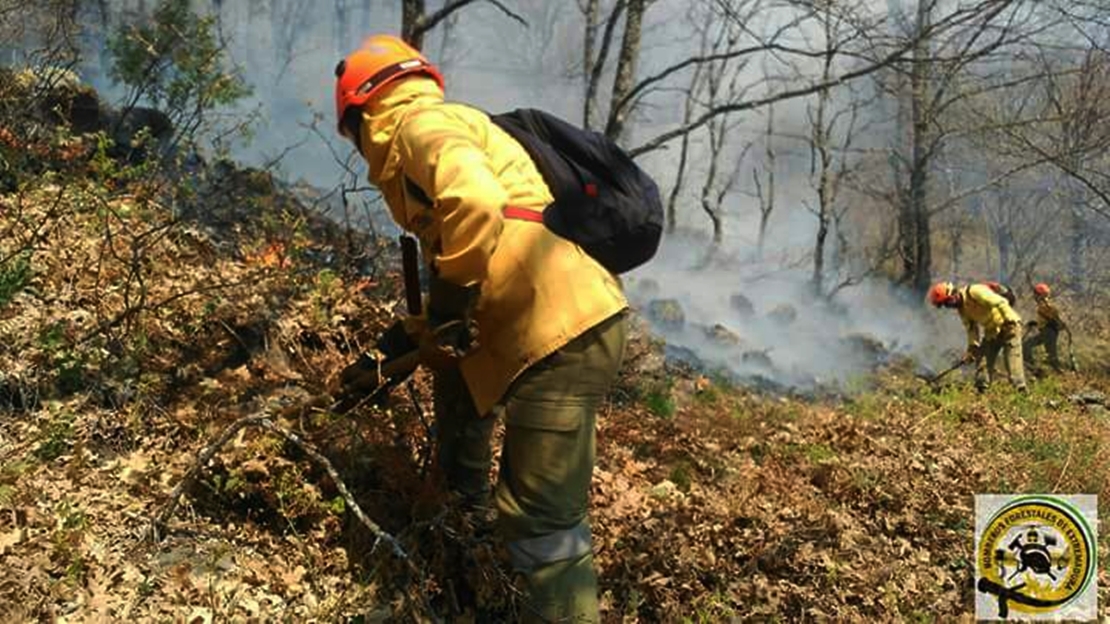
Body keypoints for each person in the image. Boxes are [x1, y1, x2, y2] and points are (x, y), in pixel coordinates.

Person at [334, 34, 628, 622]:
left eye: (352, 131)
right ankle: (467, 569)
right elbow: (468, 269)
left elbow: (477, 203)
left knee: (541, 519)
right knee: (459, 410)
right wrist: (385, 356)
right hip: (535, 325)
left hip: (561, 329)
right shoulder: (437, 133)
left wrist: (447, 302)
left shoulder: (420, 127)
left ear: (365, 108)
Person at [928, 281, 1027, 392]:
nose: (949, 306)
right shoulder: (962, 310)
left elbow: (1000, 302)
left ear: (952, 294)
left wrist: (1010, 319)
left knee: (1012, 357)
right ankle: (982, 389)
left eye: (947, 302)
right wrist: (972, 349)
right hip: (992, 331)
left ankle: (1020, 389)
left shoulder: (974, 291)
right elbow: (971, 329)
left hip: (1008, 324)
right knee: (982, 360)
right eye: (945, 305)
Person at [1023, 282, 1067, 374]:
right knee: (1051, 357)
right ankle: (1059, 373)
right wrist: (1035, 323)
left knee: (1027, 346)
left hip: (1048, 332)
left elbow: (1052, 318)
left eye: (1035, 294)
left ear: (1039, 295)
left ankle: (1033, 368)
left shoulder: (1044, 305)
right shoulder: (1045, 304)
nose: (1034, 296)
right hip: (1048, 332)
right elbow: (1047, 319)